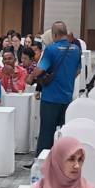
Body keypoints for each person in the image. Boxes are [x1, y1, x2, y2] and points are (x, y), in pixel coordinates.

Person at [32, 21, 82, 153]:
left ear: (54, 34)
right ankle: (61, 159)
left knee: (46, 133)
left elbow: (40, 70)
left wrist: (31, 76)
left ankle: (42, 160)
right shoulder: (76, 49)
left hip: (50, 98)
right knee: (62, 133)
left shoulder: (51, 49)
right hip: (67, 97)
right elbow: (78, 71)